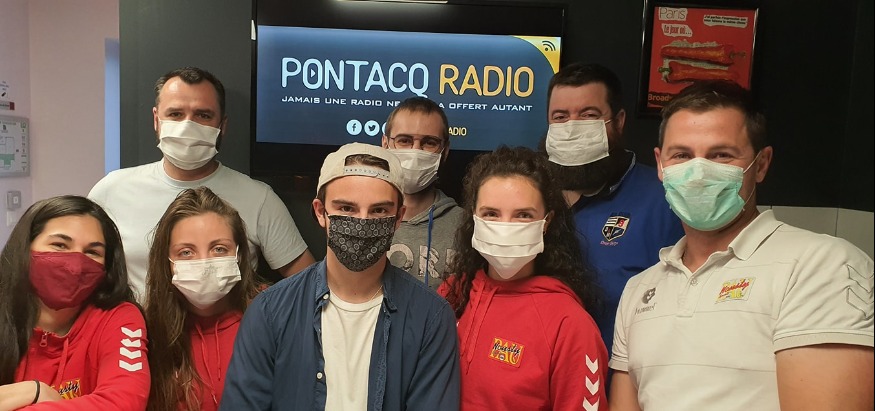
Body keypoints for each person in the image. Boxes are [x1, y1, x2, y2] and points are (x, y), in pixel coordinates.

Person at [609, 80, 875, 410]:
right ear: (661, 165)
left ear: (760, 165)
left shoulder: (822, 265)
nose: (698, 172)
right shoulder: (639, 289)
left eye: (721, 155)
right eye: (682, 155)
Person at [220, 142, 460, 410]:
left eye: (379, 210)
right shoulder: (270, 312)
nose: (362, 222)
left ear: (398, 218)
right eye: (346, 208)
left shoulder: (431, 317)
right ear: (320, 212)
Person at [89, 66, 314, 302]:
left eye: (203, 115)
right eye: (175, 114)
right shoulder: (111, 190)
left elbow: (308, 284)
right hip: (136, 325)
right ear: (156, 120)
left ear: (222, 126)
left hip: (229, 325)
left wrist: (263, 306)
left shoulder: (259, 198)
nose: (188, 125)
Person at [439, 146, 607, 411]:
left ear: (546, 222)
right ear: (474, 216)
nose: (505, 228)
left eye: (523, 215)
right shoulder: (451, 293)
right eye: (491, 214)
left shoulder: (569, 324)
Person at [543, 62, 684, 352]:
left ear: (619, 121)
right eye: (560, 117)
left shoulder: (666, 199)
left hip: (626, 375)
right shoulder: (532, 198)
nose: (572, 129)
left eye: (589, 115)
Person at [0, 195, 149, 410]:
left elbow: (123, 402)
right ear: (25, 248)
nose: (76, 265)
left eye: (92, 252)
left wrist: (20, 397)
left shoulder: (119, 317)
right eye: (59, 245)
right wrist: (35, 391)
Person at [144, 187, 259, 411]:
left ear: (239, 254)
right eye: (186, 252)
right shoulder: (149, 333)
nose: (204, 263)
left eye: (219, 249)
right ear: (167, 261)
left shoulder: (268, 318)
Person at [382, 96, 464, 289]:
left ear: (444, 151)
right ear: (385, 144)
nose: (416, 152)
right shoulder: (363, 216)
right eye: (404, 140)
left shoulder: (465, 225)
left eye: (429, 142)